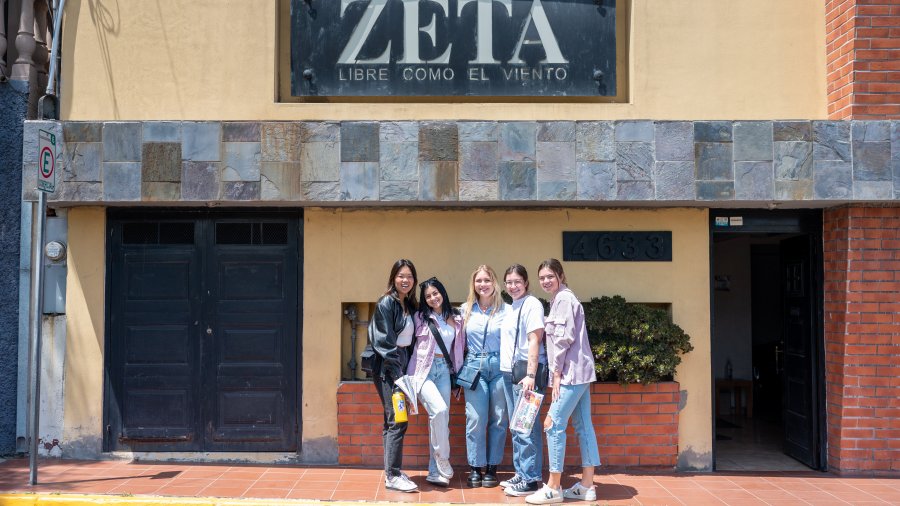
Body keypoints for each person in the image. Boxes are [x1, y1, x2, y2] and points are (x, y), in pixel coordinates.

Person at [526, 259, 601, 505]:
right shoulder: (561, 299)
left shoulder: (564, 299)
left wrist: (556, 374)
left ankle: (554, 487)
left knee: (552, 423)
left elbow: (562, 340)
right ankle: (587, 486)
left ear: (560, 275)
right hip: (579, 373)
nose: (546, 281)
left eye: (550, 276)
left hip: (569, 374)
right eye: (542, 277)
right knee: (583, 426)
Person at [368, 259, 419, 493]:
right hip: (389, 368)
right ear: (393, 278)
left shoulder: (407, 304)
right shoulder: (386, 303)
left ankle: (392, 471)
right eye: (401, 276)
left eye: (409, 276)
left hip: (401, 364)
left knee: (394, 420)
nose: (405, 280)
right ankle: (393, 475)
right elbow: (384, 342)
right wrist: (398, 375)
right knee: (398, 419)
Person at [408, 277, 465, 487]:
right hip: (423, 372)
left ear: (443, 292)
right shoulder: (420, 317)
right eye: (428, 296)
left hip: (444, 371)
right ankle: (442, 457)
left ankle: (434, 472)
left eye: (435, 293)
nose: (433, 298)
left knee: (441, 420)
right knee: (439, 411)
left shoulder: (457, 318)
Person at [499, 264, 548, 496]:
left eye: (517, 281)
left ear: (526, 283)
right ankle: (521, 472)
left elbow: (534, 340)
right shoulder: (511, 307)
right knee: (517, 427)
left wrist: (530, 375)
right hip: (510, 374)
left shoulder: (532, 305)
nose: (513, 286)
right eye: (509, 282)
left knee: (526, 428)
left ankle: (530, 479)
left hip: (525, 375)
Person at [461, 265, 509, 488]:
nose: (483, 284)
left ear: (495, 283)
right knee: (475, 418)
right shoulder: (464, 310)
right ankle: (475, 466)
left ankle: (492, 467)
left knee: (499, 418)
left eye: (487, 280)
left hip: (500, 366)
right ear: (474, 284)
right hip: (474, 366)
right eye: (479, 280)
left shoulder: (506, 310)